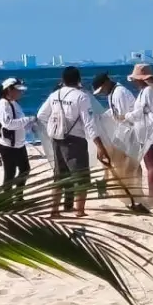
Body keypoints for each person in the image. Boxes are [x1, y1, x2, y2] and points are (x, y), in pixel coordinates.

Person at [37, 66, 112, 217]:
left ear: (63, 80)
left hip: (57, 140)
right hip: (75, 141)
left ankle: (54, 211)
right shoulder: (81, 97)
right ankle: (79, 211)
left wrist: (54, 129)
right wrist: (99, 146)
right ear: (79, 79)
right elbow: (89, 123)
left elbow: (41, 116)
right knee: (81, 177)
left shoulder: (55, 95)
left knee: (59, 177)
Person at [125, 63, 153, 207]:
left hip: (148, 133)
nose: (134, 82)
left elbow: (143, 112)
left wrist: (126, 116)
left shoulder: (148, 91)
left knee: (151, 165)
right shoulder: (147, 91)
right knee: (151, 165)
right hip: (146, 132)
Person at [0, 78, 32, 193]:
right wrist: (28, 119)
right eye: (18, 90)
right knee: (10, 174)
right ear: (9, 90)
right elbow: (8, 124)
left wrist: (31, 126)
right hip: (8, 146)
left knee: (25, 170)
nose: (21, 92)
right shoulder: (3, 104)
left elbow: (19, 123)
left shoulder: (14, 103)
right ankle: (7, 198)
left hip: (19, 145)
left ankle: (19, 196)